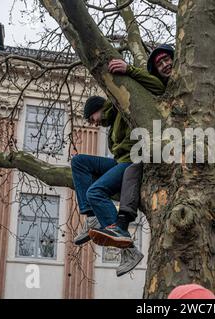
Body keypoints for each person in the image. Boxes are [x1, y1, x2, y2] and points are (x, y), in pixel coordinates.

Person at [89, 45, 215, 270]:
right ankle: (121, 226)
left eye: (166, 59)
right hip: (167, 149)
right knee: (134, 167)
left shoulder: (200, 88)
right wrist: (128, 70)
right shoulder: (160, 92)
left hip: (203, 148)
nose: (164, 64)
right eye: (159, 63)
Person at [71, 96, 143, 277]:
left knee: (95, 192)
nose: (93, 124)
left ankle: (129, 251)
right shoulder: (111, 125)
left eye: (91, 119)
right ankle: (92, 217)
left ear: (98, 109)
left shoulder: (120, 108)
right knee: (79, 162)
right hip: (119, 161)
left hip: (131, 161)